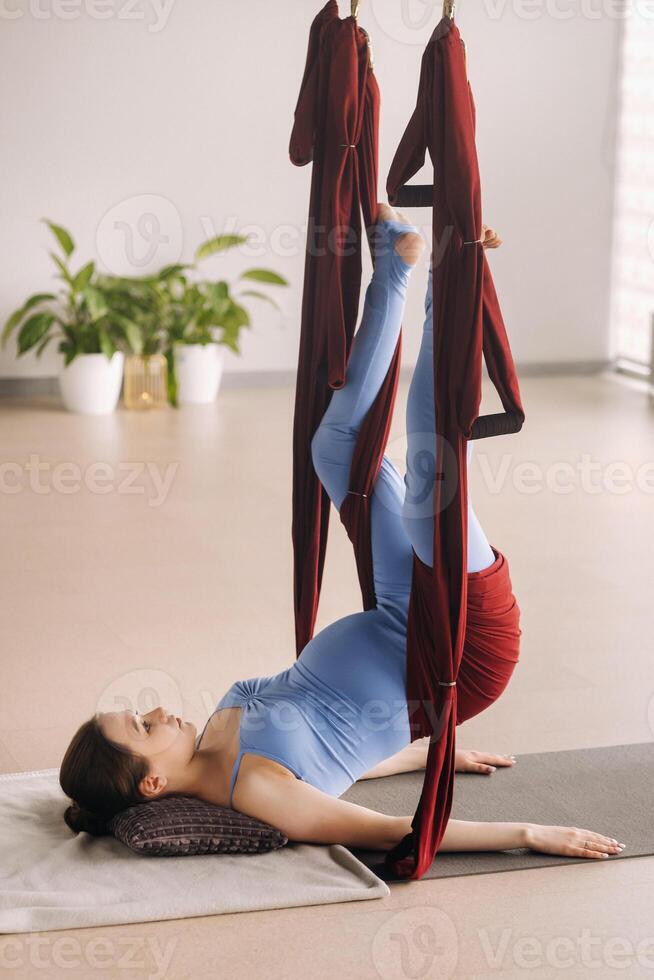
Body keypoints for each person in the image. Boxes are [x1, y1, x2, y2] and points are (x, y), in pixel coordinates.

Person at [60, 205, 625, 862]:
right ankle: (454, 277)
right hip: (457, 653)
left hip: (396, 614)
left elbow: (338, 756)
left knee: (336, 449)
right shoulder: (259, 791)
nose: (159, 711)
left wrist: (423, 755)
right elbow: (391, 831)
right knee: (430, 466)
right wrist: (529, 833)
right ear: (152, 782)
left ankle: (399, 262)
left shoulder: (215, 732)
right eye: (144, 724)